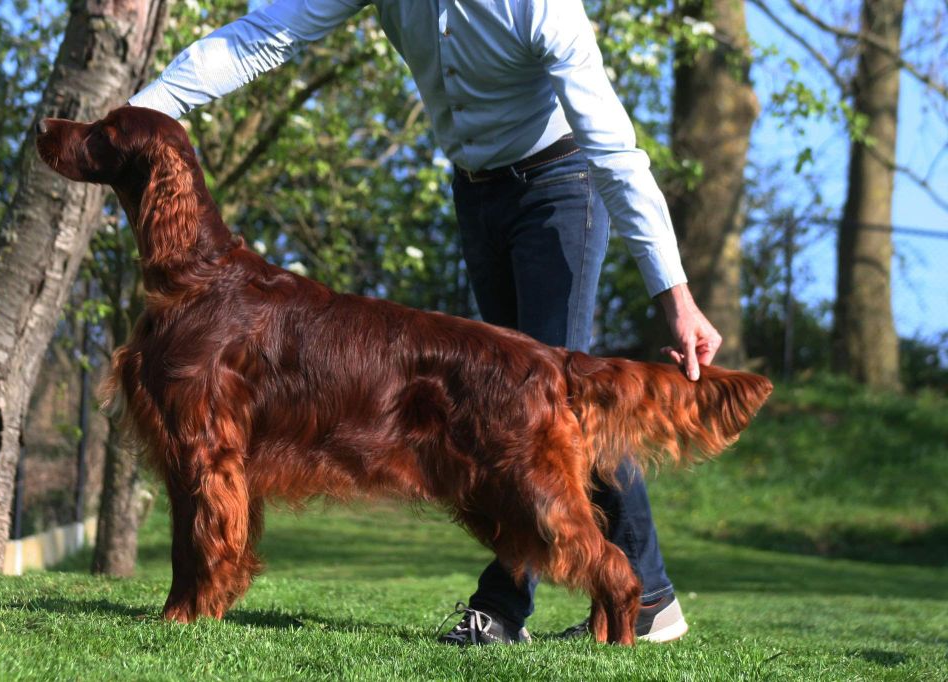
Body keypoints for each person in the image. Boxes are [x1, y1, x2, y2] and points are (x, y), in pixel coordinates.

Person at [128, 0, 722, 645]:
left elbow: (614, 150)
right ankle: (651, 595)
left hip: (563, 181)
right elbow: (265, 36)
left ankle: (504, 608)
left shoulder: (541, 8)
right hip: (476, 188)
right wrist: (146, 111)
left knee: (546, 395)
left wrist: (676, 296)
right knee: (519, 402)